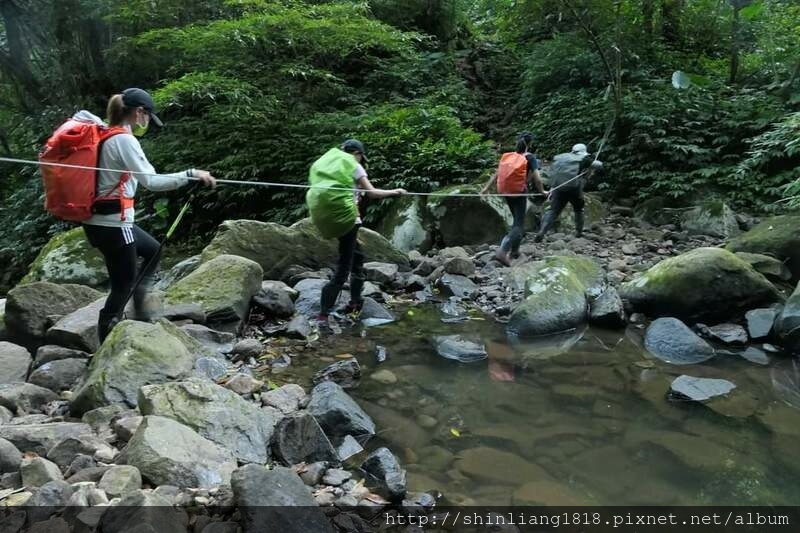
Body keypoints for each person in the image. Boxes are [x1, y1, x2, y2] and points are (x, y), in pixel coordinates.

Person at [80, 88, 216, 342]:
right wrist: (191, 174)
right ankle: (106, 342)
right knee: (123, 284)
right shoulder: (123, 140)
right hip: (112, 223)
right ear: (139, 112)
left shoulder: (112, 135)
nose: (146, 123)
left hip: (107, 221)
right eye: (146, 117)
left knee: (153, 249)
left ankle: (140, 312)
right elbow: (151, 181)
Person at [309, 139, 406, 324]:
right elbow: (372, 193)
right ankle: (323, 314)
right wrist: (396, 191)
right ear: (357, 154)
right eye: (361, 156)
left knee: (357, 256)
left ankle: (355, 302)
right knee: (343, 268)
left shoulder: (331, 166)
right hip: (349, 221)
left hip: (334, 220)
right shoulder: (353, 165)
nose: (361, 160)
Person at [480, 132, 545, 266]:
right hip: (519, 192)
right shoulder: (530, 158)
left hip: (506, 192)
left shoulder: (509, 157)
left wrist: (486, 189)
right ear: (530, 144)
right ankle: (503, 252)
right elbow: (537, 178)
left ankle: (515, 251)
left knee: (516, 220)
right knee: (518, 225)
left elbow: (497, 174)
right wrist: (542, 191)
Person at [534, 143, 603, 242]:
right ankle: (579, 232)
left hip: (559, 188)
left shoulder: (562, 158)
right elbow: (599, 165)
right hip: (574, 188)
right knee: (578, 209)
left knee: (553, 211)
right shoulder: (584, 159)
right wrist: (595, 160)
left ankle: (542, 231)